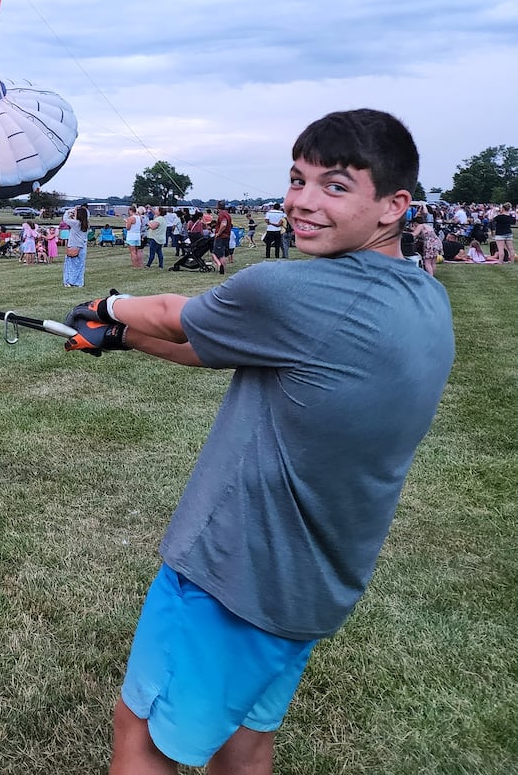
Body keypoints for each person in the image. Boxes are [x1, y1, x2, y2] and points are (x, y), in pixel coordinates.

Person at [61, 109, 454, 774]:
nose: (301, 201)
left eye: (334, 186)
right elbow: (227, 352)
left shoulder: (288, 289)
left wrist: (105, 308)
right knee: (243, 744)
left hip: (233, 570)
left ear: (393, 205)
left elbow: (171, 317)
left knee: (143, 734)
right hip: (311, 583)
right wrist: (123, 342)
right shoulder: (423, 296)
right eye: (296, 179)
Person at [62, 204, 90, 288]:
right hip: (82, 245)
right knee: (80, 265)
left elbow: (65, 219)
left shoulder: (76, 223)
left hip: (74, 245)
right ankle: (79, 282)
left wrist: (70, 211)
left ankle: (68, 281)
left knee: (70, 265)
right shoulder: (86, 224)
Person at [211, 201, 233, 275]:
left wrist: (218, 233)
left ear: (217, 207)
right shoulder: (227, 214)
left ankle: (222, 268)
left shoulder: (222, 215)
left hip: (221, 237)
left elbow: (224, 224)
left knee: (220, 254)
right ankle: (221, 267)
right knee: (219, 253)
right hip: (226, 236)